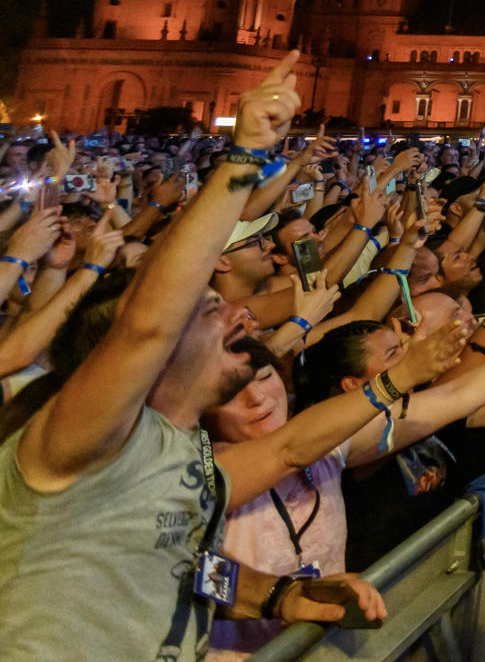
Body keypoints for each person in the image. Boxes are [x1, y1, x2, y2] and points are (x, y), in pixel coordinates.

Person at [0, 55, 387, 659]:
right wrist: (245, 154)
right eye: (207, 310)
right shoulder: (77, 441)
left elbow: (182, 564)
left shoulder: (186, 451)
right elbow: (147, 323)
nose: (239, 314)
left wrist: (279, 595)